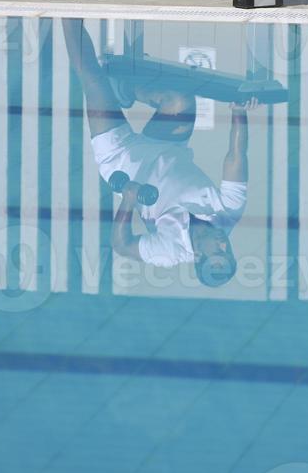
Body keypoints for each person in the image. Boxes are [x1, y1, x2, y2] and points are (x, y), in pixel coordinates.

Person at [63, 19, 252, 287]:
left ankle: (68, 13)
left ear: (198, 256)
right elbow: (236, 157)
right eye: (229, 252)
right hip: (167, 146)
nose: (224, 245)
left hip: (121, 160)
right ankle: (125, 88)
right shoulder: (228, 213)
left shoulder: (169, 251)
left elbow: (122, 245)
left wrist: (128, 201)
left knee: (91, 75)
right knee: (180, 99)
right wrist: (238, 111)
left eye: (218, 253)